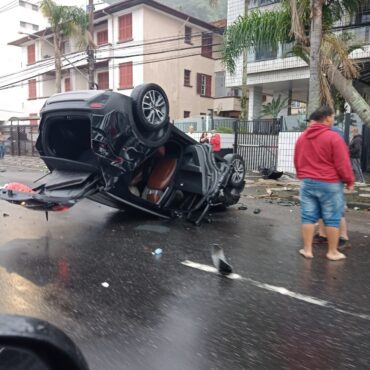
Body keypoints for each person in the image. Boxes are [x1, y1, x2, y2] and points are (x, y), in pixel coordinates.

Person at [294, 106, 354, 261]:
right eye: (332, 117)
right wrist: (349, 180)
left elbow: (297, 158)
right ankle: (332, 252)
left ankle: (307, 250)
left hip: (307, 183)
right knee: (332, 217)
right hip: (330, 183)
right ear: (327, 118)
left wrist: (302, 175)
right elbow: (342, 163)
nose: (333, 119)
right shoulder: (333, 137)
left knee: (308, 217)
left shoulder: (302, 137)